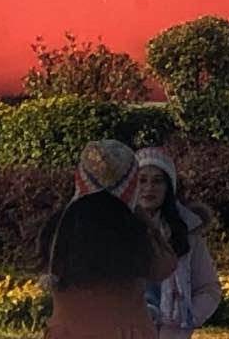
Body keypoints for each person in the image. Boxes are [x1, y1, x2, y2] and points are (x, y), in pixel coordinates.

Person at [42, 139, 171, 339]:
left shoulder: (59, 226)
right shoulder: (133, 229)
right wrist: (143, 217)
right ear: (132, 181)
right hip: (127, 332)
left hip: (68, 331)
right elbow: (165, 266)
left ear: (80, 176)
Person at [127, 146, 221, 339]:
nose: (149, 188)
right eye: (142, 180)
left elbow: (208, 288)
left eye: (157, 181)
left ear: (168, 187)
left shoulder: (187, 231)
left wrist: (188, 316)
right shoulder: (117, 230)